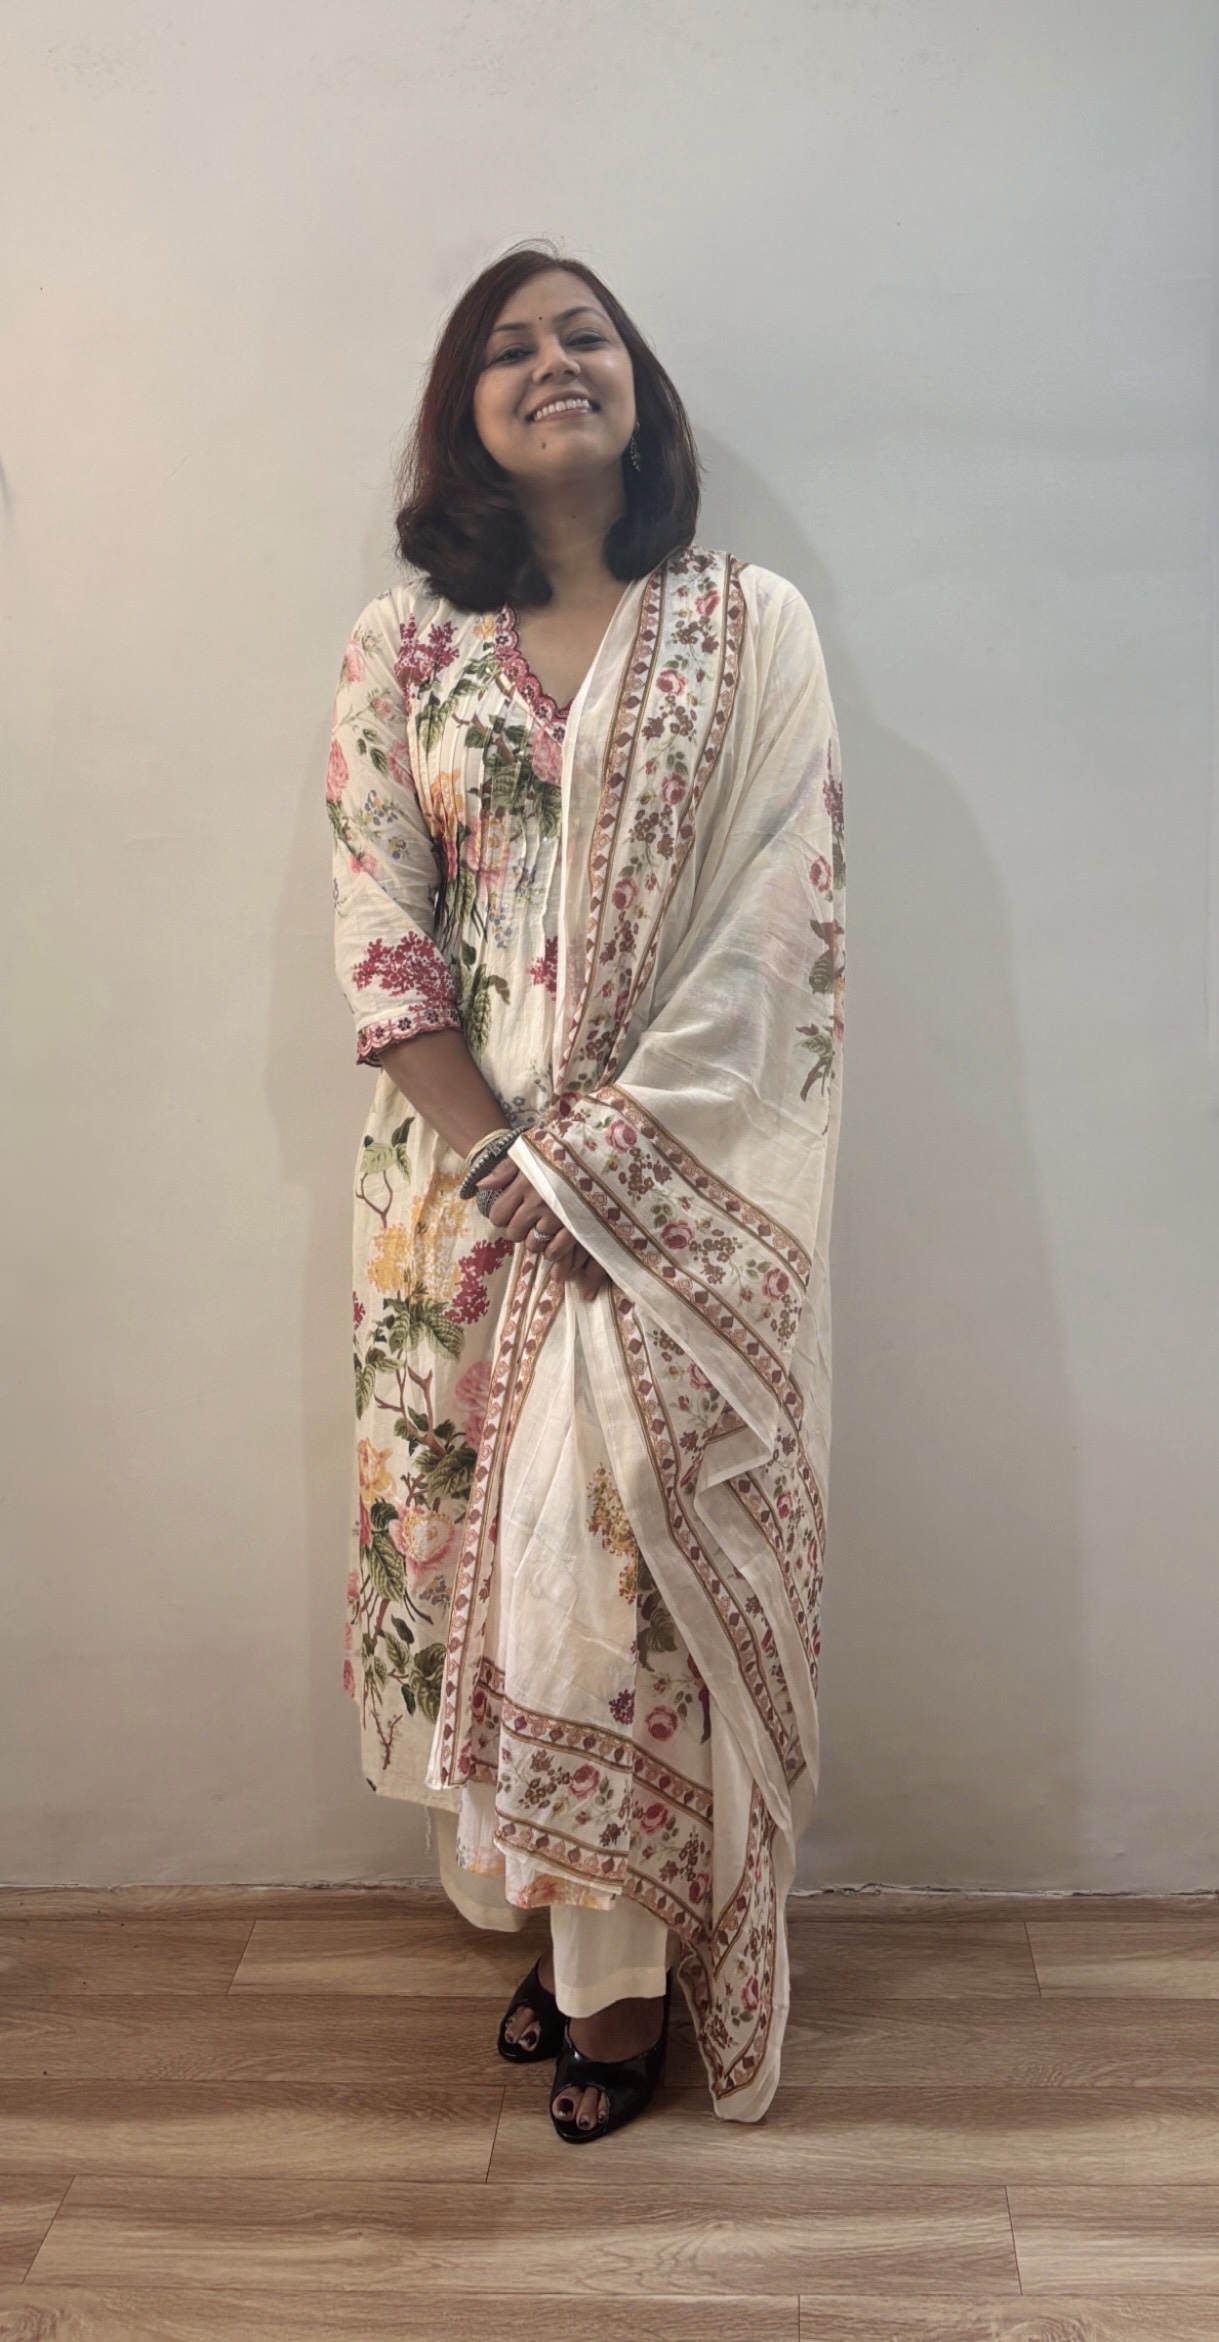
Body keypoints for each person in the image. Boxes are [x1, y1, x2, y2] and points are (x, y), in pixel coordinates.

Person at [327, 242, 845, 2139]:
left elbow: (784, 929)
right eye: (509, 348)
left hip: (668, 1205)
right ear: (461, 411)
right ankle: (567, 1941)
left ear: (639, 384)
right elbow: (380, 930)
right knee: (494, 1575)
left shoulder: (749, 628)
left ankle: (622, 1997)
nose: (555, 363)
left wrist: (601, 1167)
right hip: (464, 1207)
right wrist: (503, 1160)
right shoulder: (406, 648)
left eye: (586, 335)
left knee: (617, 1589)